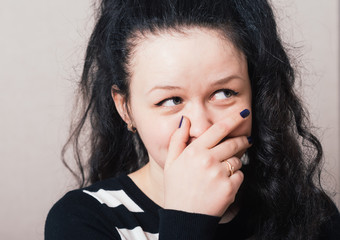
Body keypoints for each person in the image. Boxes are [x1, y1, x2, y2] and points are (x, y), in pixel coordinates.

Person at [45, 0, 340, 239]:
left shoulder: (308, 214)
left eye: (224, 93)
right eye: (171, 101)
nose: (201, 127)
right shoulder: (83, 219)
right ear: (126, 108)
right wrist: (187, 219)